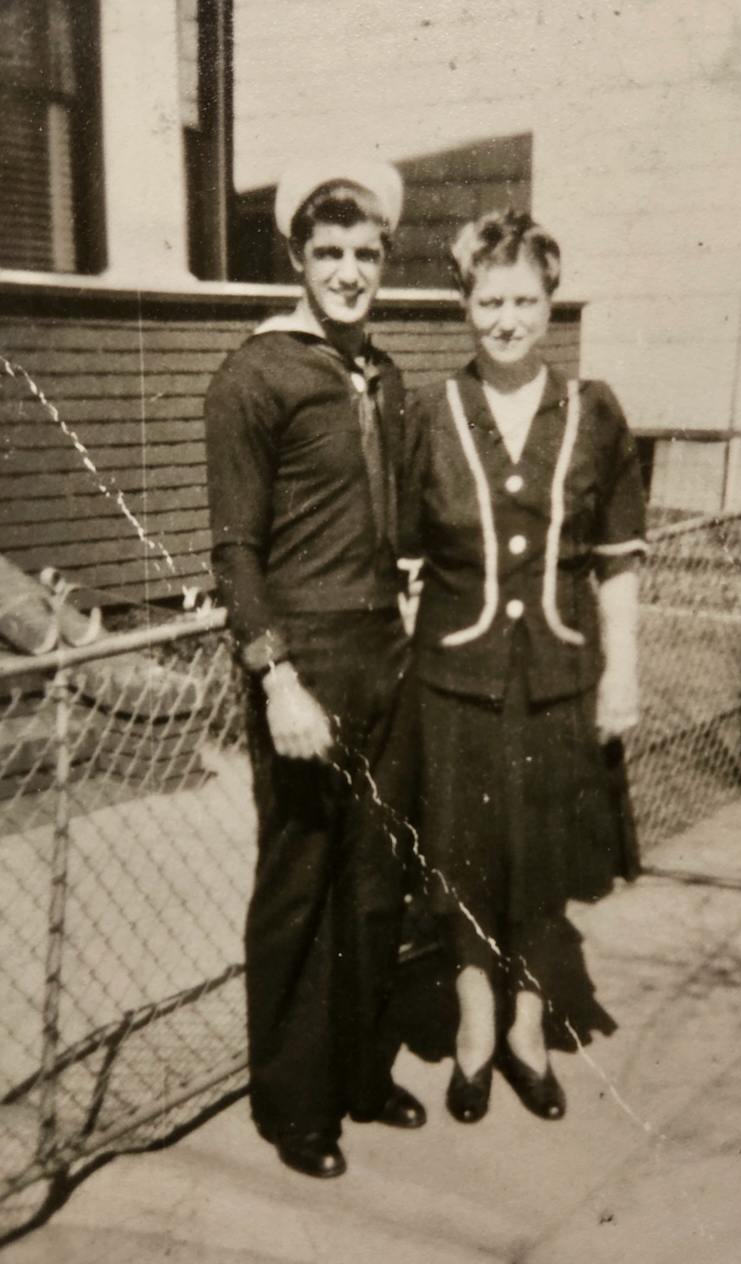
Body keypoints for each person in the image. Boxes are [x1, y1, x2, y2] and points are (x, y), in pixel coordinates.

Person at [204, 155, 425, 1179]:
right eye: (329, 252)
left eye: (366, 254)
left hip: (385, 655)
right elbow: (235, 551)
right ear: (296, 256)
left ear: (384, 260)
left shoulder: (385, 376)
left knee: (376, 882)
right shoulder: (255, 375)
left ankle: (360, 1073)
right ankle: (295, 1104)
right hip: (305, 663)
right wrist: (277, 678)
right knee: (300, 880)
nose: (348, 272)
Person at [400, 209, 646, 1124]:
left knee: (543, 861)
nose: (507, 320)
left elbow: (617, 563)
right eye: (489, 301)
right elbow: (403, 568)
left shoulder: (593, 412)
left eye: (525, 301)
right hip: (452, 688)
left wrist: (621, 675)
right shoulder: (428, 415)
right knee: (463, 858)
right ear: (464, 304)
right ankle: (474, 1027)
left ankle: (527, 1031)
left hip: (559, 684)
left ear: (550, 303)